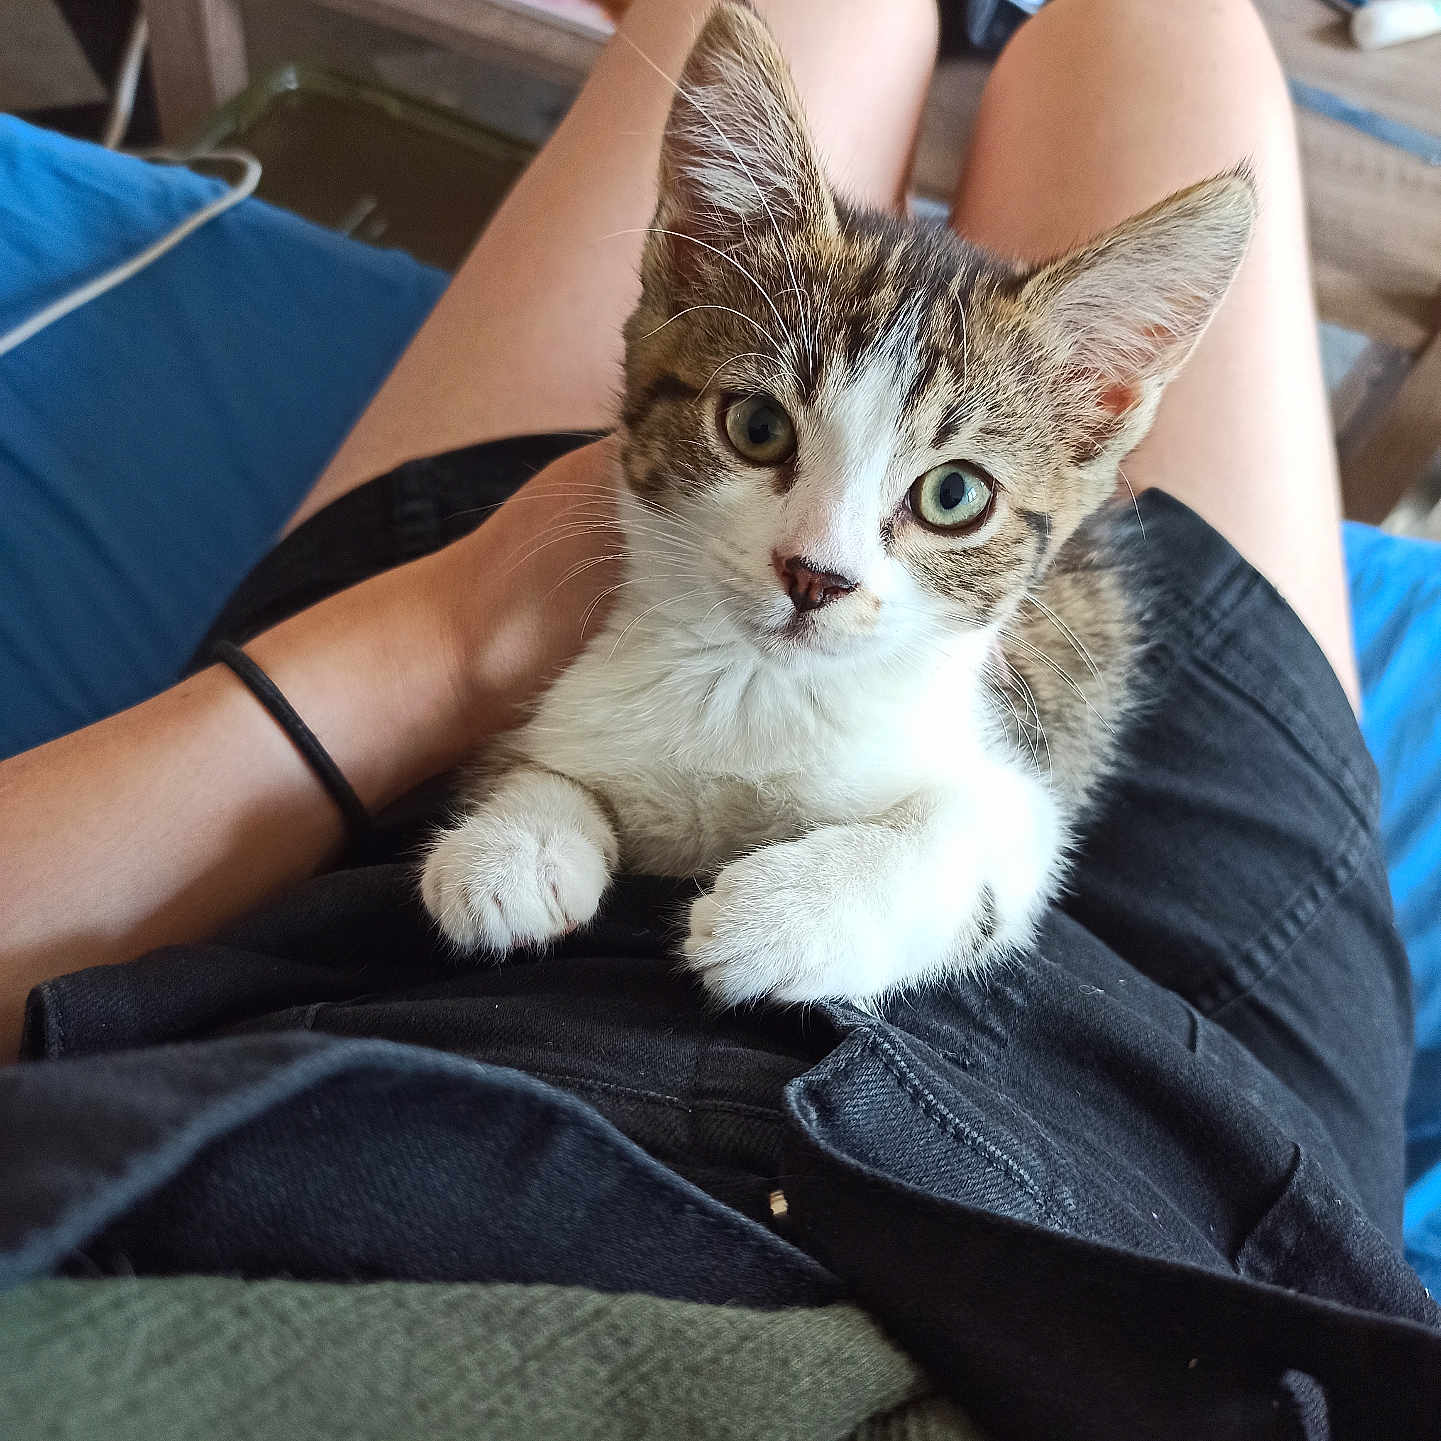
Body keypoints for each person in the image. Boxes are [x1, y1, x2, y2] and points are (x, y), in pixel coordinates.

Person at [3, 1, 1437, 1433]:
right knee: (1163, 24)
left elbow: (969, 800)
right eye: (766, 431)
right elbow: (943, 823)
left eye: (939, 493)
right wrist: (553, 792)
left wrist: (437, 642)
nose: (819, 556)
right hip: (1184, 1138)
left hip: (444, 833)